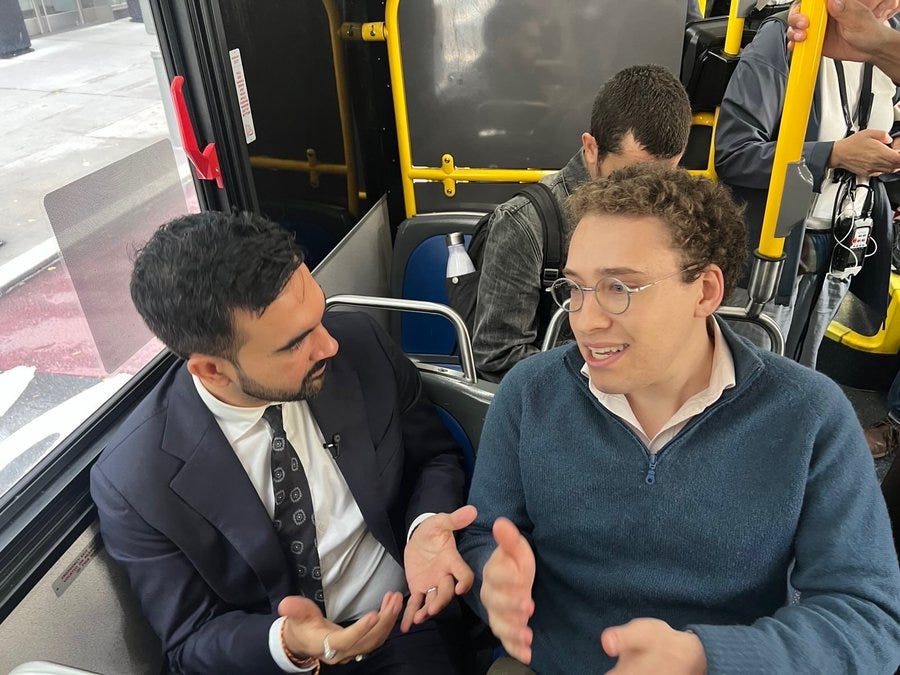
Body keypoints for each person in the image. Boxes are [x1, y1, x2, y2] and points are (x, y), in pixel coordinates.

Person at [458, 164, 900, 673]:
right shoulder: (530, 393)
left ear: (706, 291)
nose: (586, 319)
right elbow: (481, 534)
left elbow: (867, 621)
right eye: (575, 288)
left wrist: (704, 657)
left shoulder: (809, 416)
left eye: (620, 287)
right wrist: (490, 576)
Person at [90, 211, 475, 674]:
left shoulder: (362, 344)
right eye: (295, 343)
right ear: (212, 370)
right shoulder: (135, 479)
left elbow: (435, 456)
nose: (328, 345)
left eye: (319, 314)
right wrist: (287, 643)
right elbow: (190, 638)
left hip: (402, 621)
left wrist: (424, 527)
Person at [473, 64, 692, 380]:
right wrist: (612, 371)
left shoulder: (674, 209)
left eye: (662, 177)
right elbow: (498, 356)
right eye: (628, 177)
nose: (643, 195)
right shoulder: (526, 224)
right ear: (591, 149)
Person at [715, 0, 900, 367]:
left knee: (803, 366)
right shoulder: (785, 36)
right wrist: (832, 155)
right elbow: (734, 153)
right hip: (779, 246)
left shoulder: (889, 39)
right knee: (748, 370)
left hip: (844, 243)